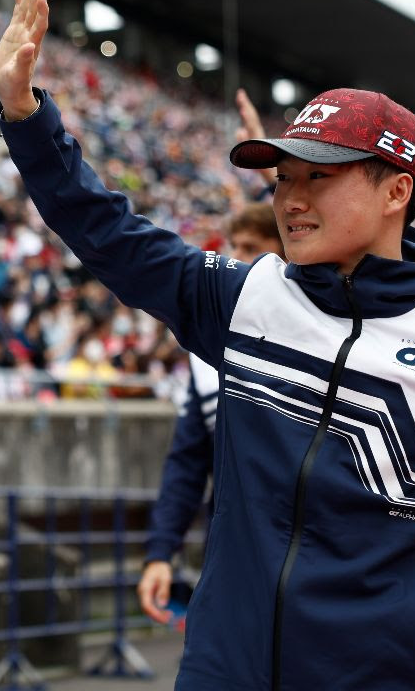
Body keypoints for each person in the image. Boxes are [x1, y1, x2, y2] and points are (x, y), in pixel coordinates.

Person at [0, 0, 415, 691]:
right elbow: (111, 234)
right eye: (284, 178)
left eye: (318, 178)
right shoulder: (246, 298)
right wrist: (24, 113)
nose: (291, 197)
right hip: (222, 671)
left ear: (396, 191)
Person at [139, 200, 286, 626]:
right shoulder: (206, 356)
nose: (236, 259)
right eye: (234, 247)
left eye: (251, 248)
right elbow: (187, 462)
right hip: (231, 559)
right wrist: (161, 551)